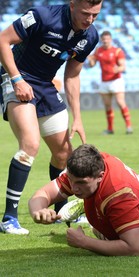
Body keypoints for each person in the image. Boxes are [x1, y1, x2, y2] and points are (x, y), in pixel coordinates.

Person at [0, 0, 103, 235]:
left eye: (95, 15)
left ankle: (62, 212)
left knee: (64, 153)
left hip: (45, 86)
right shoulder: (42, 16)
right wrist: (17, 80)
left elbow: (73, 75)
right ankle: (9, 219)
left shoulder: (91, 36)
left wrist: (77, 117)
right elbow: (2, 40)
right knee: (30, 145)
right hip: (16, 75)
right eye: (86, 13)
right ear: (73, 4)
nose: (90, 20)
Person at [28, 144, 139, 256]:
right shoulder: (89, 164)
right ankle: (90, 204)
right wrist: (38, 211)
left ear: (100, 176)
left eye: (81, 183)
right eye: (71, 180)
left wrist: (84, 242)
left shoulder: (118, 195)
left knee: (104, 232)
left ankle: (93, 207)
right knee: (103, 225)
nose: (73, 189)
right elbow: (43, 194)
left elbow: (136, 248)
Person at [87, 30, 132, 135]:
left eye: (107, 39)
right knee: (107, 105)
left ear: (111, 40)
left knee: (121, 103)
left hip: (116, 80)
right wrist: (90, 60)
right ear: (101, 40)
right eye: (103, 39)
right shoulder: (98, 51)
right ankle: (110, 128)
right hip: (104, 81)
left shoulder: (117, 51)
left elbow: (123, 66)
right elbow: (92, 65)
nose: (105, 41)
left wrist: (117, 69)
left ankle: (128, 126)